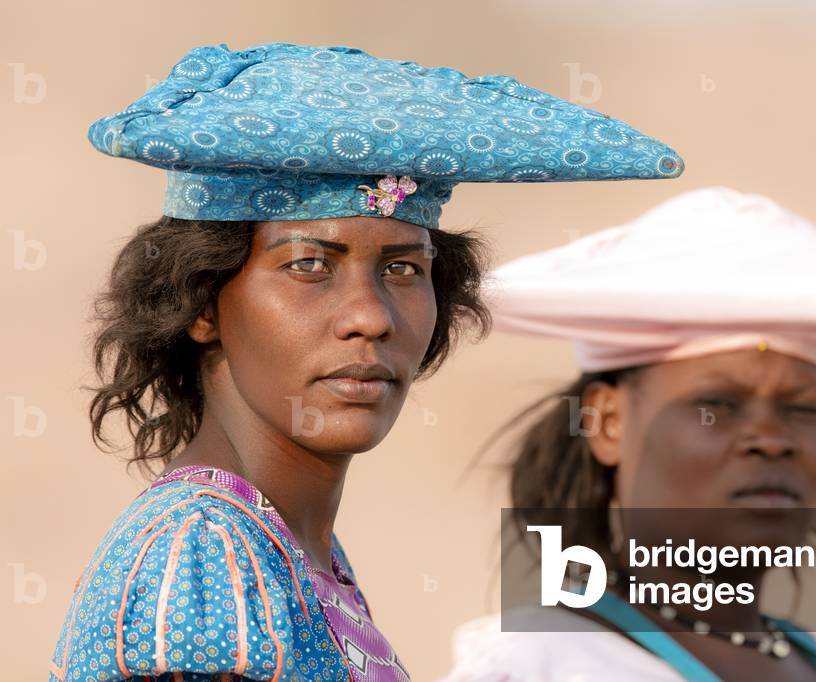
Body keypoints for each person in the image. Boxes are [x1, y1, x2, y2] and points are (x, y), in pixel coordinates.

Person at [48, 41, 683, 682]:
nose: (371, 317)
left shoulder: (292, 552)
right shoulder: (202, 557)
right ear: (202, 304)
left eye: (402, 269)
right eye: (308, 265)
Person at [441, 187, 816, 681]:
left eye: (802, 409)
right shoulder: (541, 667)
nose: (771, 439)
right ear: (608, 422)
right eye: (717, 405)